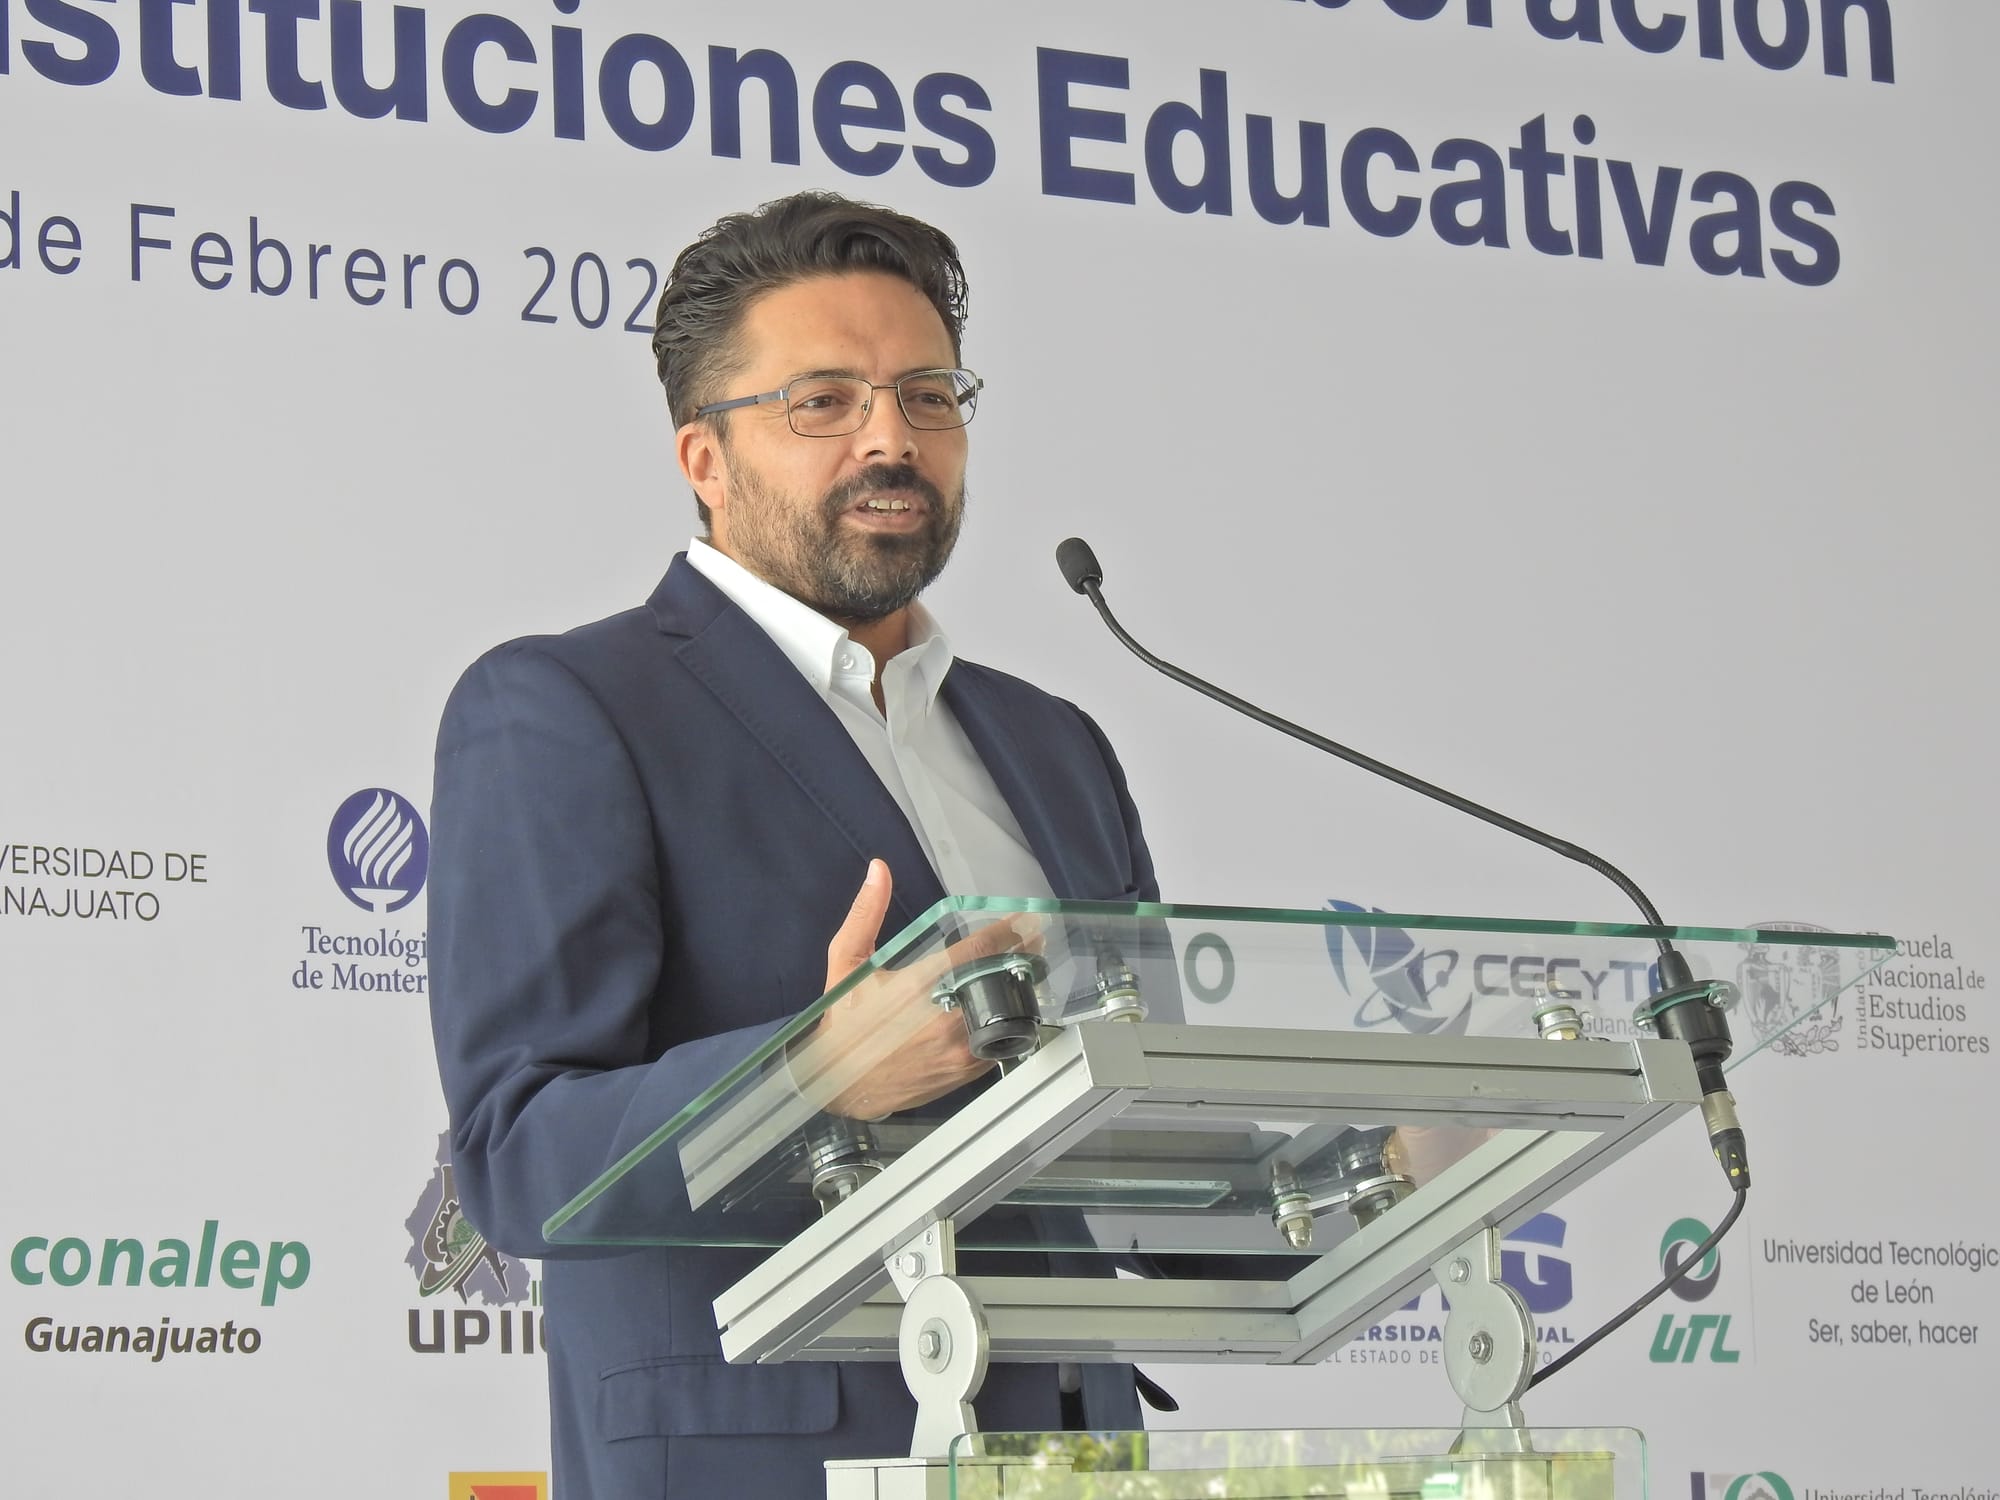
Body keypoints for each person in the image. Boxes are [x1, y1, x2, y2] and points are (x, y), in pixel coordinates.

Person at [427, 191, 1160, 1500]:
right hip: (771, 1458)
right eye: (822, 402)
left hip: (1075, 1457)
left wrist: (1379, 1170)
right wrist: (814, 1075)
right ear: (704, 458)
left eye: (928, 397)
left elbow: (1137, 1121)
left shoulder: (1057, 746)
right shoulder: (567, 709)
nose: (892, 439)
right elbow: (517, 1155)